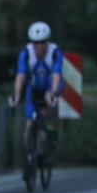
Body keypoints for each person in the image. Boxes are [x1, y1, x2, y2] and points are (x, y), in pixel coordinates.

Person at [10, 21, 63, 169]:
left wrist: (52, 93)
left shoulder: (55, 53)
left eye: (42, 43)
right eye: (36, 43)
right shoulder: (25, 54)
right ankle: (29, 155)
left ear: (48, 42)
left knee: (50, 110)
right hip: (33, 88)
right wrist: (16, 95)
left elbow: (56, 75)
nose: (39, 47)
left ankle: (51, 142)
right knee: (28, 125)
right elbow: (20, 76)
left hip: (50, 86)